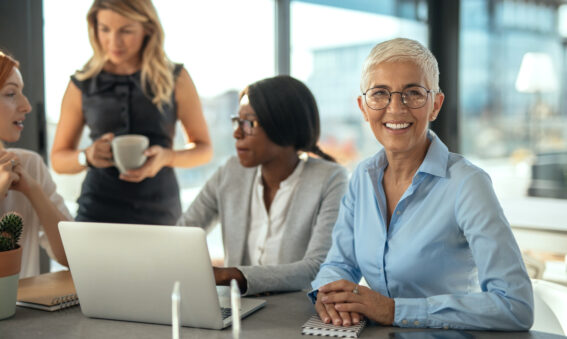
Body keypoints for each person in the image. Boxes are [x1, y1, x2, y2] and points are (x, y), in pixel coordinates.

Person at [310, 38, 533, 330]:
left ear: (435, 105)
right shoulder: (362, 177)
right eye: (380, 94)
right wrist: (327, 295)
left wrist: (393, 310)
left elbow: (515, 305)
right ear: (363, 107)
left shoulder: (467, 184)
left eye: (413, 93)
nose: (395, 108)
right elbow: (338, 264)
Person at [176, 75, 348, 295]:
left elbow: (317, 267)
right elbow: (182, 235)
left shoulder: (330, 179)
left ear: (283, 125)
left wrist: (231, 275)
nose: (237, 133)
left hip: (296, 315)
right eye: (237, 121)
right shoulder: (230, 172)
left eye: (248, 123)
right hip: (240, 311)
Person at [51, 0, 212, 225]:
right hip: (97, 212)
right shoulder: (81, 83)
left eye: (126, 31)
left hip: (160, 212)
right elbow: (58, 159)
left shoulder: (175, 78)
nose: (113, 41)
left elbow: (204, 149)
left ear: (148, 29)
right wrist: (86, 157)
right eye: (104, 29)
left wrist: (168, 157)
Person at [0, 51, 72, 278]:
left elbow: (71, 256)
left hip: (25, 313)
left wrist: (33, 190)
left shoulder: (29, 165)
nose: (27, 106)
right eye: (11, 93)